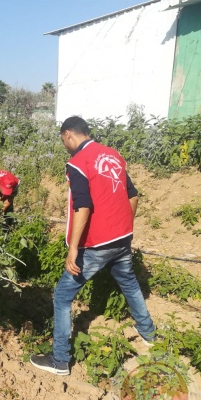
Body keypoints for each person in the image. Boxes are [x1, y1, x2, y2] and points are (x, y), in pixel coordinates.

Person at [30, 116, 156, 376]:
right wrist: (123, 226)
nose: (64, 144)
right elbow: (132, 196)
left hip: (97, 244)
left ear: (68, 135)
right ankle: (149, 334)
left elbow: (83, 206)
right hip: (122, 239)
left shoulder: (78, 163)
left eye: (63, 139)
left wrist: (73, 248)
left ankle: (60, 360)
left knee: (63, 296)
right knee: (130, 284)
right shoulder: (114, 155)